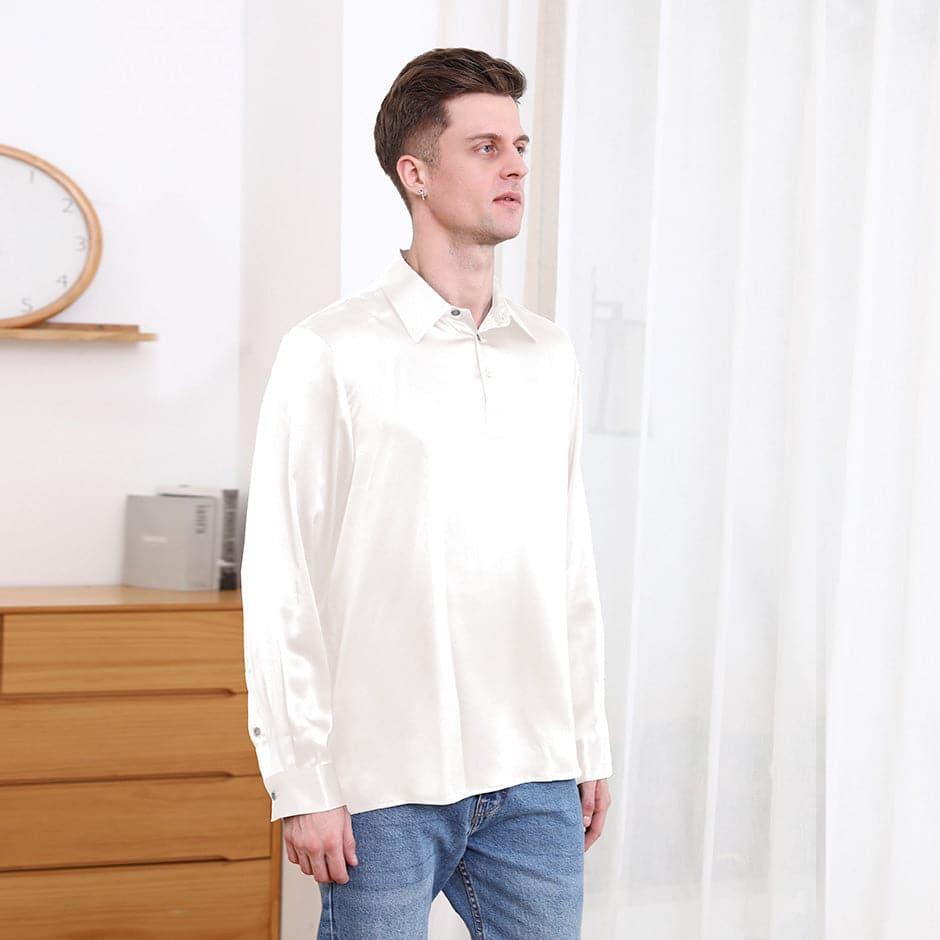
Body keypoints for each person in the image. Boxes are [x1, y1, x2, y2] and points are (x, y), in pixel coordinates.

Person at [240, 46, 613, 939]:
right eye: (485, 147)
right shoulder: (331, 351)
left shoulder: (548, 353)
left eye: (519, 146)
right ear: (415, 173)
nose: (515, 165)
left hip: (535, 772)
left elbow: (568, 561)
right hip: (383, 780)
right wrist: (303, 781)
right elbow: (284, 577)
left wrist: (587, 738)